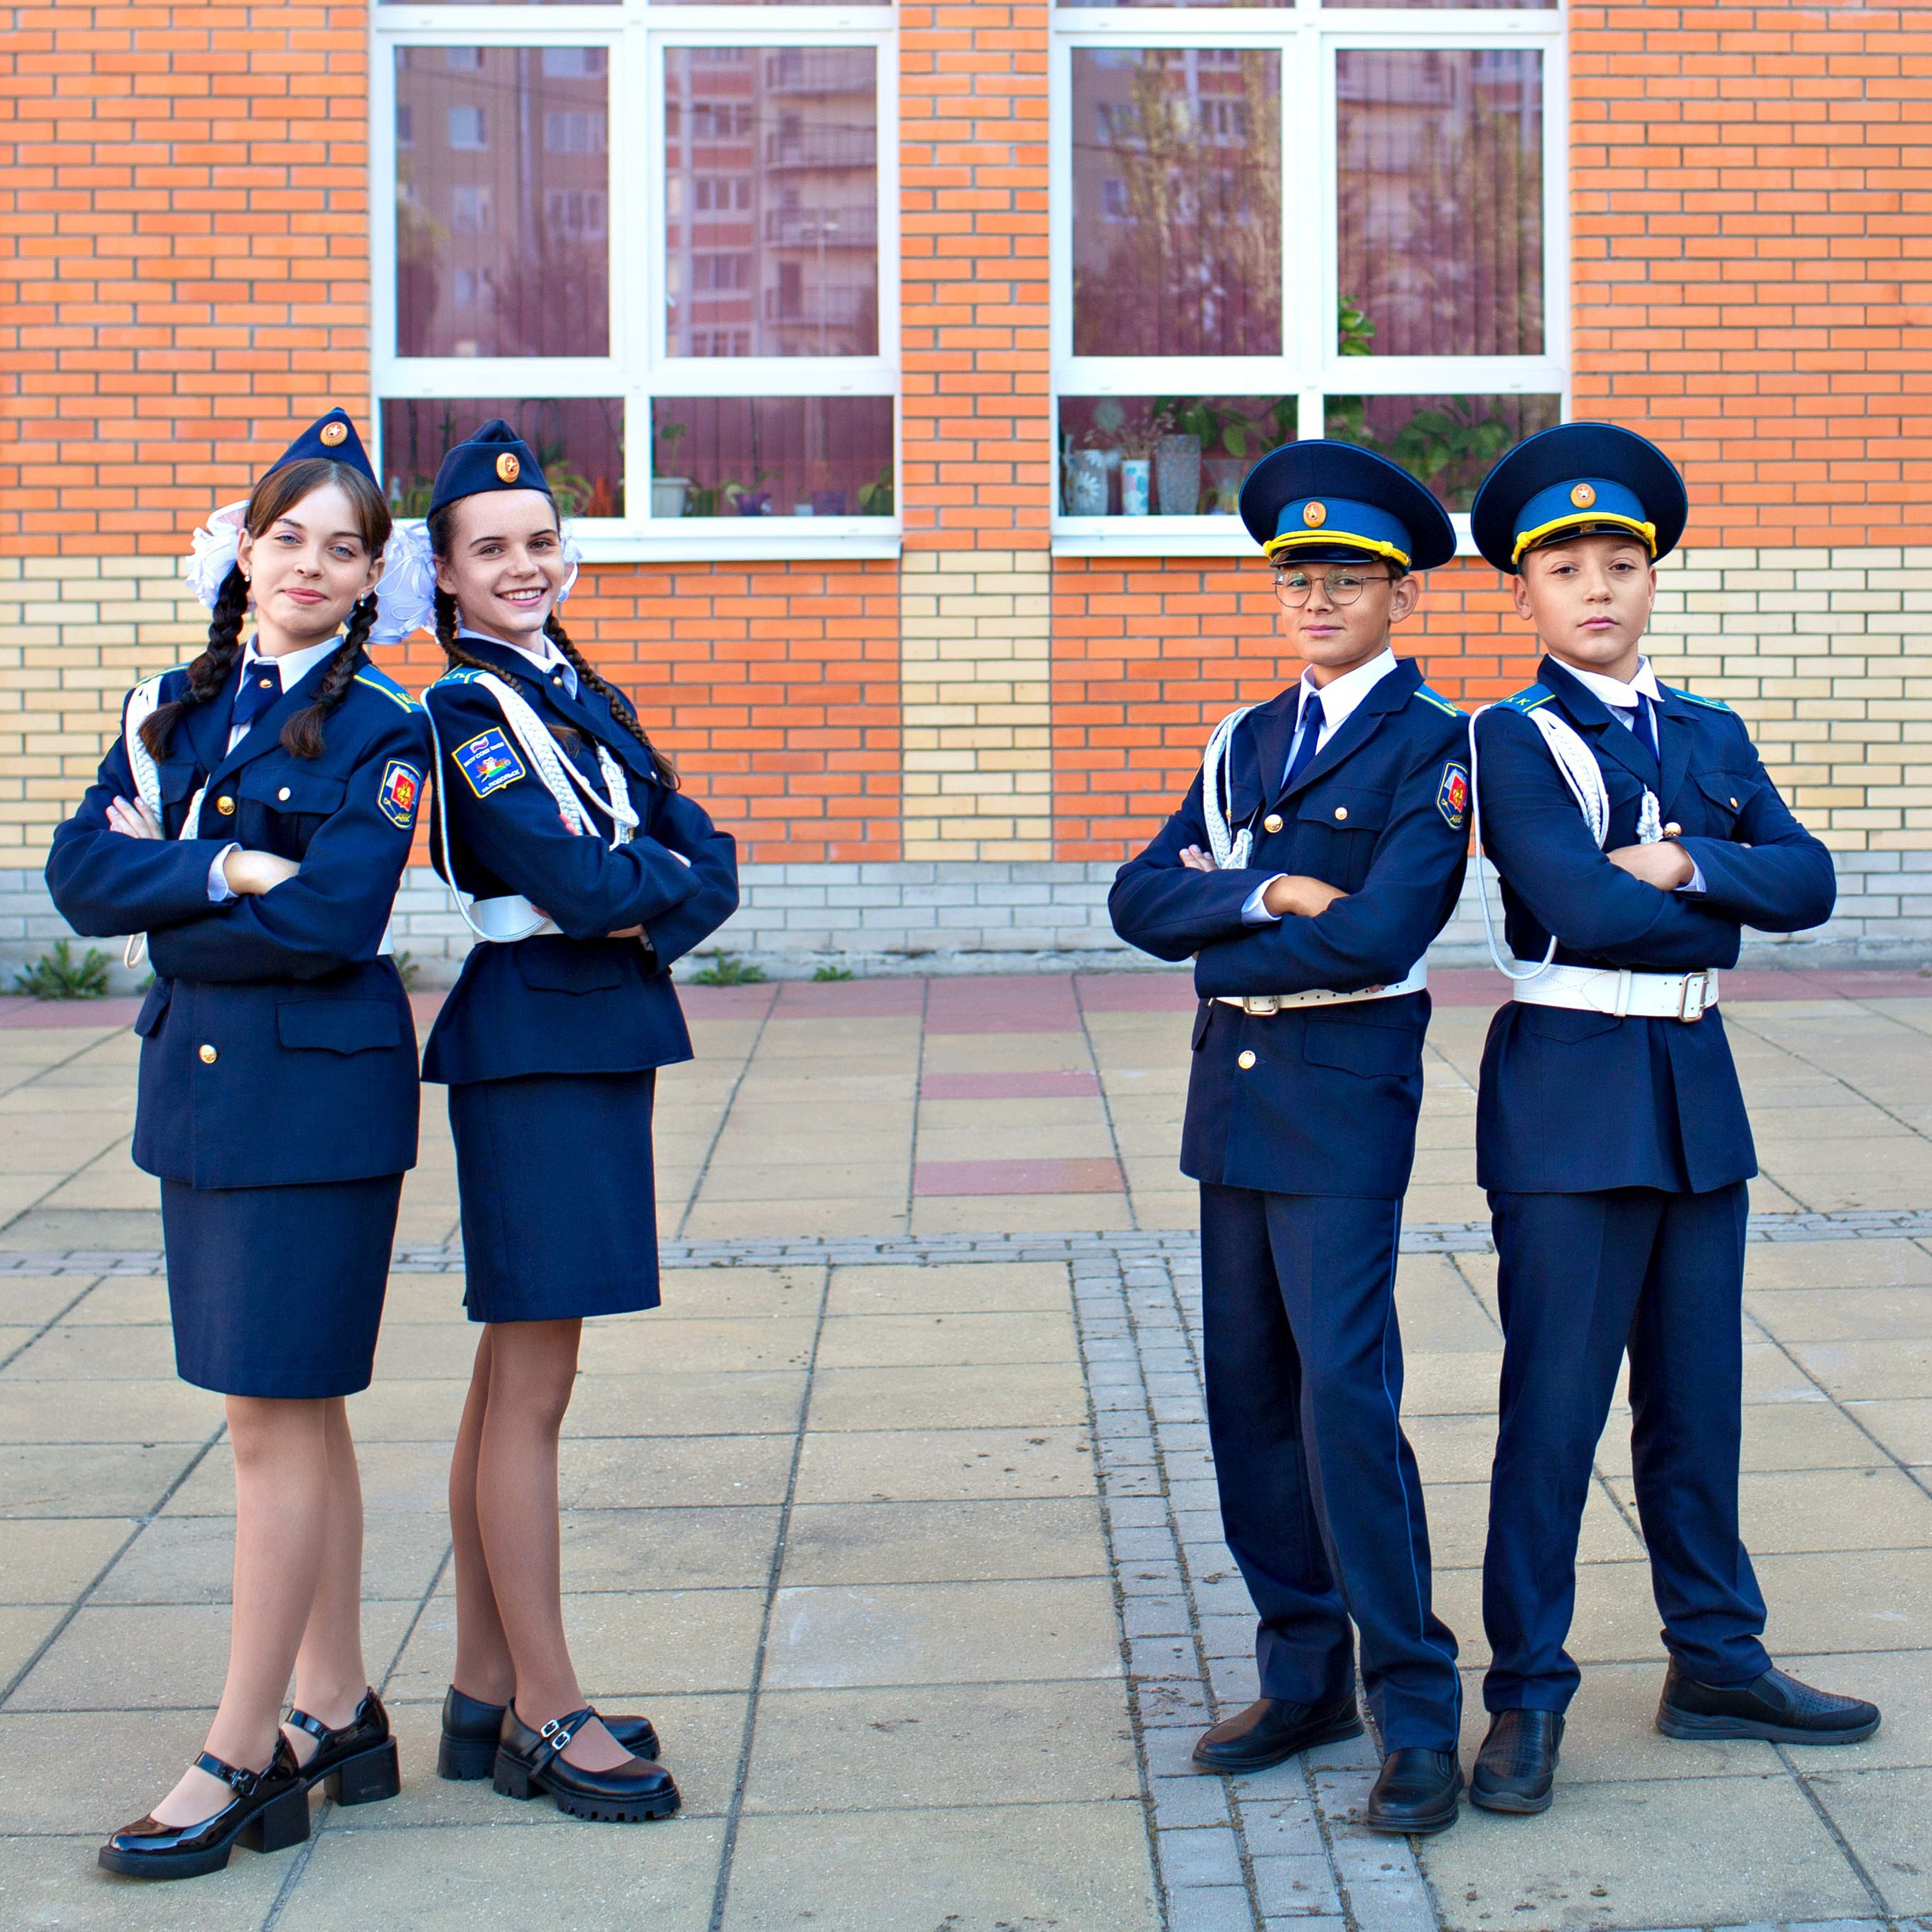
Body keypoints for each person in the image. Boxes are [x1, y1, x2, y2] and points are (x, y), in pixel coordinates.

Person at [1462, 420, 1878, 1817]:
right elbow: (1579, 909)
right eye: (1565, 566)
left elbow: (1812, 880)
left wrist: (1695, 855)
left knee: (1698, 1410)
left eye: (1621, 561)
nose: (1597, 585)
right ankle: (1525, 1696)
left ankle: (1714, 1660)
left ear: (1653, 578)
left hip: (1696, 1099)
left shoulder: (1709, 733)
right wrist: (1722, 903)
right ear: (1524, 593)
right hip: (1568, 1097)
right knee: (1555, 1413)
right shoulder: (1509, 738)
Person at [48, 411, 432, 1879]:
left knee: (274, 1419)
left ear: (373, 574)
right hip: (202, 1097)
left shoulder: (387, 724)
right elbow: (81, 875)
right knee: (281, 1413)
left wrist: (179, 893)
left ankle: (243, 1744)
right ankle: (338, 1704)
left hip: (315, 1105)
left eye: (345, 549)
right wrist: (219, 860)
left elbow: (331, 919)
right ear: (246, 547)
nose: (311, 567)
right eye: (289, 538)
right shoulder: (172, 705)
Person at [1111, 441, 1473, 1835]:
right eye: (1297, 578)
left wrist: (1229, 903)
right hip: (1240, 1089)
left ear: (1397, 593)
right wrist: (1272, 894)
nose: (1317, 599)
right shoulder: (1246, 736)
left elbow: (1386, 930)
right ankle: (1304, 1670)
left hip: (1342, 1091)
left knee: (1344, 1397)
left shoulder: (1435, 743)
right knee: (1249, 1400)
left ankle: (1419, 1706)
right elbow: (1141, 901)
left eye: (1347, 578)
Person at [417, 420, 738, 1823]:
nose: (524, 564)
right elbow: (579, 872)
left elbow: (698, 851)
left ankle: (489, 1682)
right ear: (442, 574)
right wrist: (644, 879)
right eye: (492, 550)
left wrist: (648, 876)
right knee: (532, 1390)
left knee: (514, 1376)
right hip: (538, 1030)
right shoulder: (469, 710)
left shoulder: (567, 683)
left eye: (540, 542)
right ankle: (546, 1708)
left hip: (589, 1024)